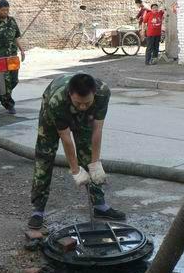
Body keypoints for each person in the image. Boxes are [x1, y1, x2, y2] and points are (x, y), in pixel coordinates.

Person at [27, 73, 126, 230]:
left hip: (84, 116)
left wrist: (95, 163)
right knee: (44, 157)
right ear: (70, 94)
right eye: (78, 103)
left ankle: (100, 205)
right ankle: (38, 210)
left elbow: (97, 129)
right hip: (52, 113)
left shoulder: (103, 93)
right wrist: (75, 170)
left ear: (94, 94)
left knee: (86, 154)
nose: (82, 107)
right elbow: (66, 138)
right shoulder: (57, 100)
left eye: (86, 103)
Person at [0, 0, 25, 115]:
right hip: (0, 57)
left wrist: (22, 50)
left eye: (7, 10)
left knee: (14, 80)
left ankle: (1, 95)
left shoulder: (12, 21)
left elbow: (16, 37)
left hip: (12, 55)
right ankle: (9, 104)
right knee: (5, 81)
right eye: (3, 10)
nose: (5, 12)